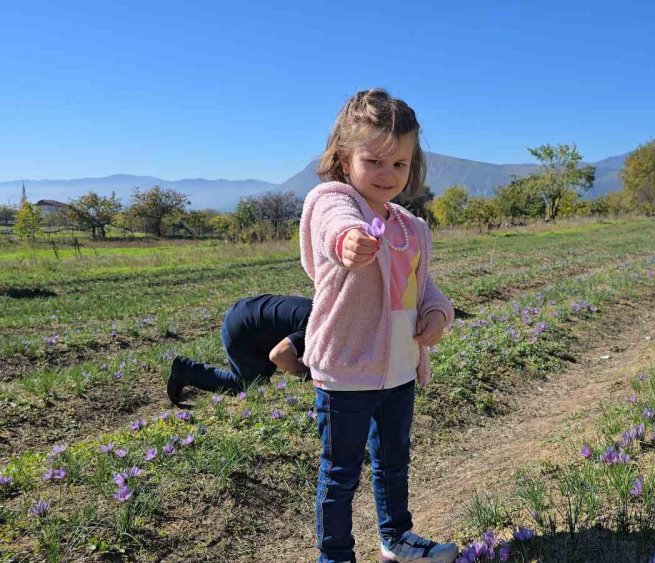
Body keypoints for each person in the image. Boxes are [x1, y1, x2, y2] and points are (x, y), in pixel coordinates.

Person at [301, 89, 457, 563]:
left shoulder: (411, 227)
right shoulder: (333, 201)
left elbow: (424, 286)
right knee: (340, 472)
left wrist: (437, 313)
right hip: (349, 368)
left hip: (400, 369)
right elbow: (332, 225)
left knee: (393, 463)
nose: (388, 175)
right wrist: (347, 241)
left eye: (401, 165)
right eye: (374, 161)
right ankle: (336, 556)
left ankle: (397, 538)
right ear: (345, 159)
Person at [167, 294, 312, 405]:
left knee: (263, 379)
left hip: (250, 313)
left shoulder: (324, 312)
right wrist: (309, 375)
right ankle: (185, 371)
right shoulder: (318, 329)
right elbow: (279, 356)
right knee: (250, 386)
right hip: (243, 330)